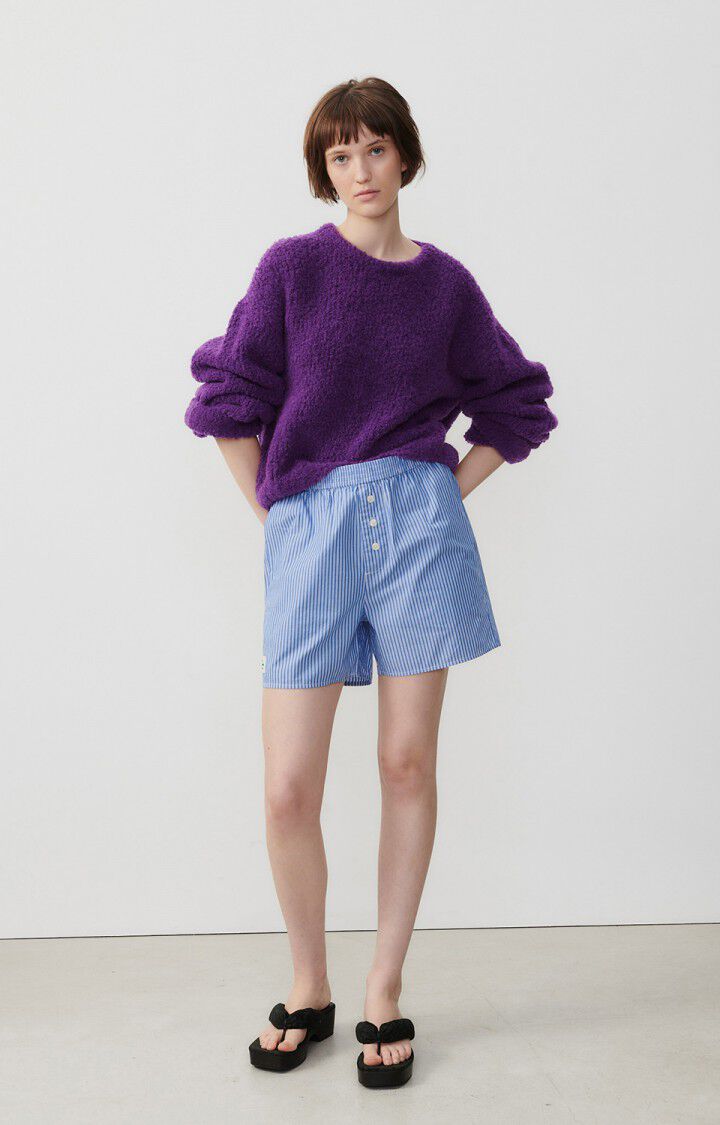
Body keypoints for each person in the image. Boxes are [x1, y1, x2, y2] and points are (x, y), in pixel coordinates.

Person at [184, 75, 558, 1089]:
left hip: (417, 529)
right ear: (324, 169)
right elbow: (227, 396)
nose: (360, 170)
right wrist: (276, 515)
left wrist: (444, 496)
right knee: (287, 787)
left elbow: (517, 402)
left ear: (405, 156)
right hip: (312, 526)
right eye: (340, 154)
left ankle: (383, 988)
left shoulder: (445, 287)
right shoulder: (294, 269)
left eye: (376, 149)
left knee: (405, 765)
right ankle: (309, 983)